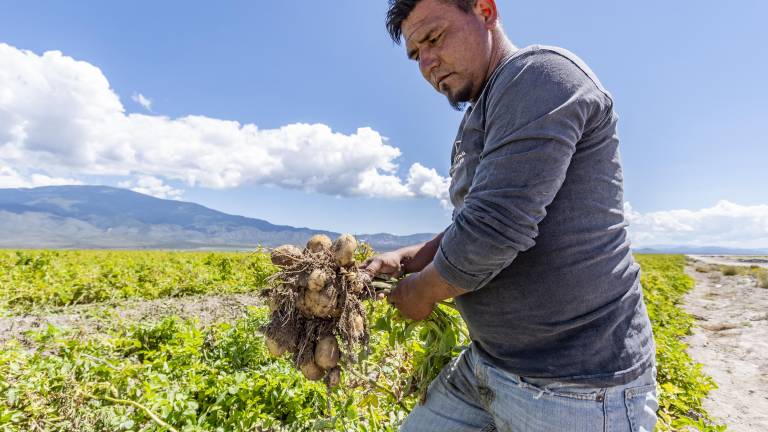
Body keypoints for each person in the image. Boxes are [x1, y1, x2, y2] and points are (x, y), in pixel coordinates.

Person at [363, 0, 658, 430]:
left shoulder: (539, 76)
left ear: (485, 10)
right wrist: (409, 257)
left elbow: (494, 228)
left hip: (577, 387)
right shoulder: (482, 112)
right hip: (488, 363)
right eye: (415, 55)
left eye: (434, 38)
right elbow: (474, 219)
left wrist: (420, 292)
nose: (427, 63)